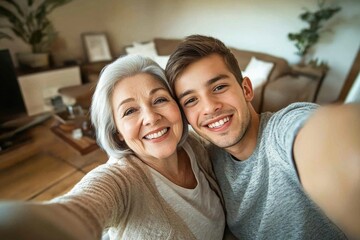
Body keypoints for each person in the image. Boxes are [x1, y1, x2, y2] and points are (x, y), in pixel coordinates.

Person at [0, 55, 228, 240]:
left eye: (159, 100)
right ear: (117, 132)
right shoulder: (121, 180)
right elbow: (77, 212)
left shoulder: (194, 146)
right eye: (130, 111)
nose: (151, 118)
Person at [165, 34, 360, 239]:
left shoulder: (281, 131)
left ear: (246, 89)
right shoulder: (208, 159)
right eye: (191, 100)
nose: (209, 107)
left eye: (219, 87)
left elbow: (323, 134)